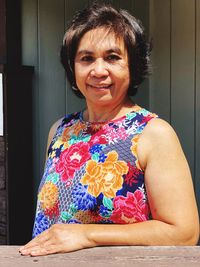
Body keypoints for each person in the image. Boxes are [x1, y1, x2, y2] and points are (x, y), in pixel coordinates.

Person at [20, 1, 199, 256]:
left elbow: (184, 233)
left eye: (113, 57)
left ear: (132, 66)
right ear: (73, 67)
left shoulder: (153, 134)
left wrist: (86, 235)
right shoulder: (60, 131)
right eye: (86, 58)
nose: (98, 70)